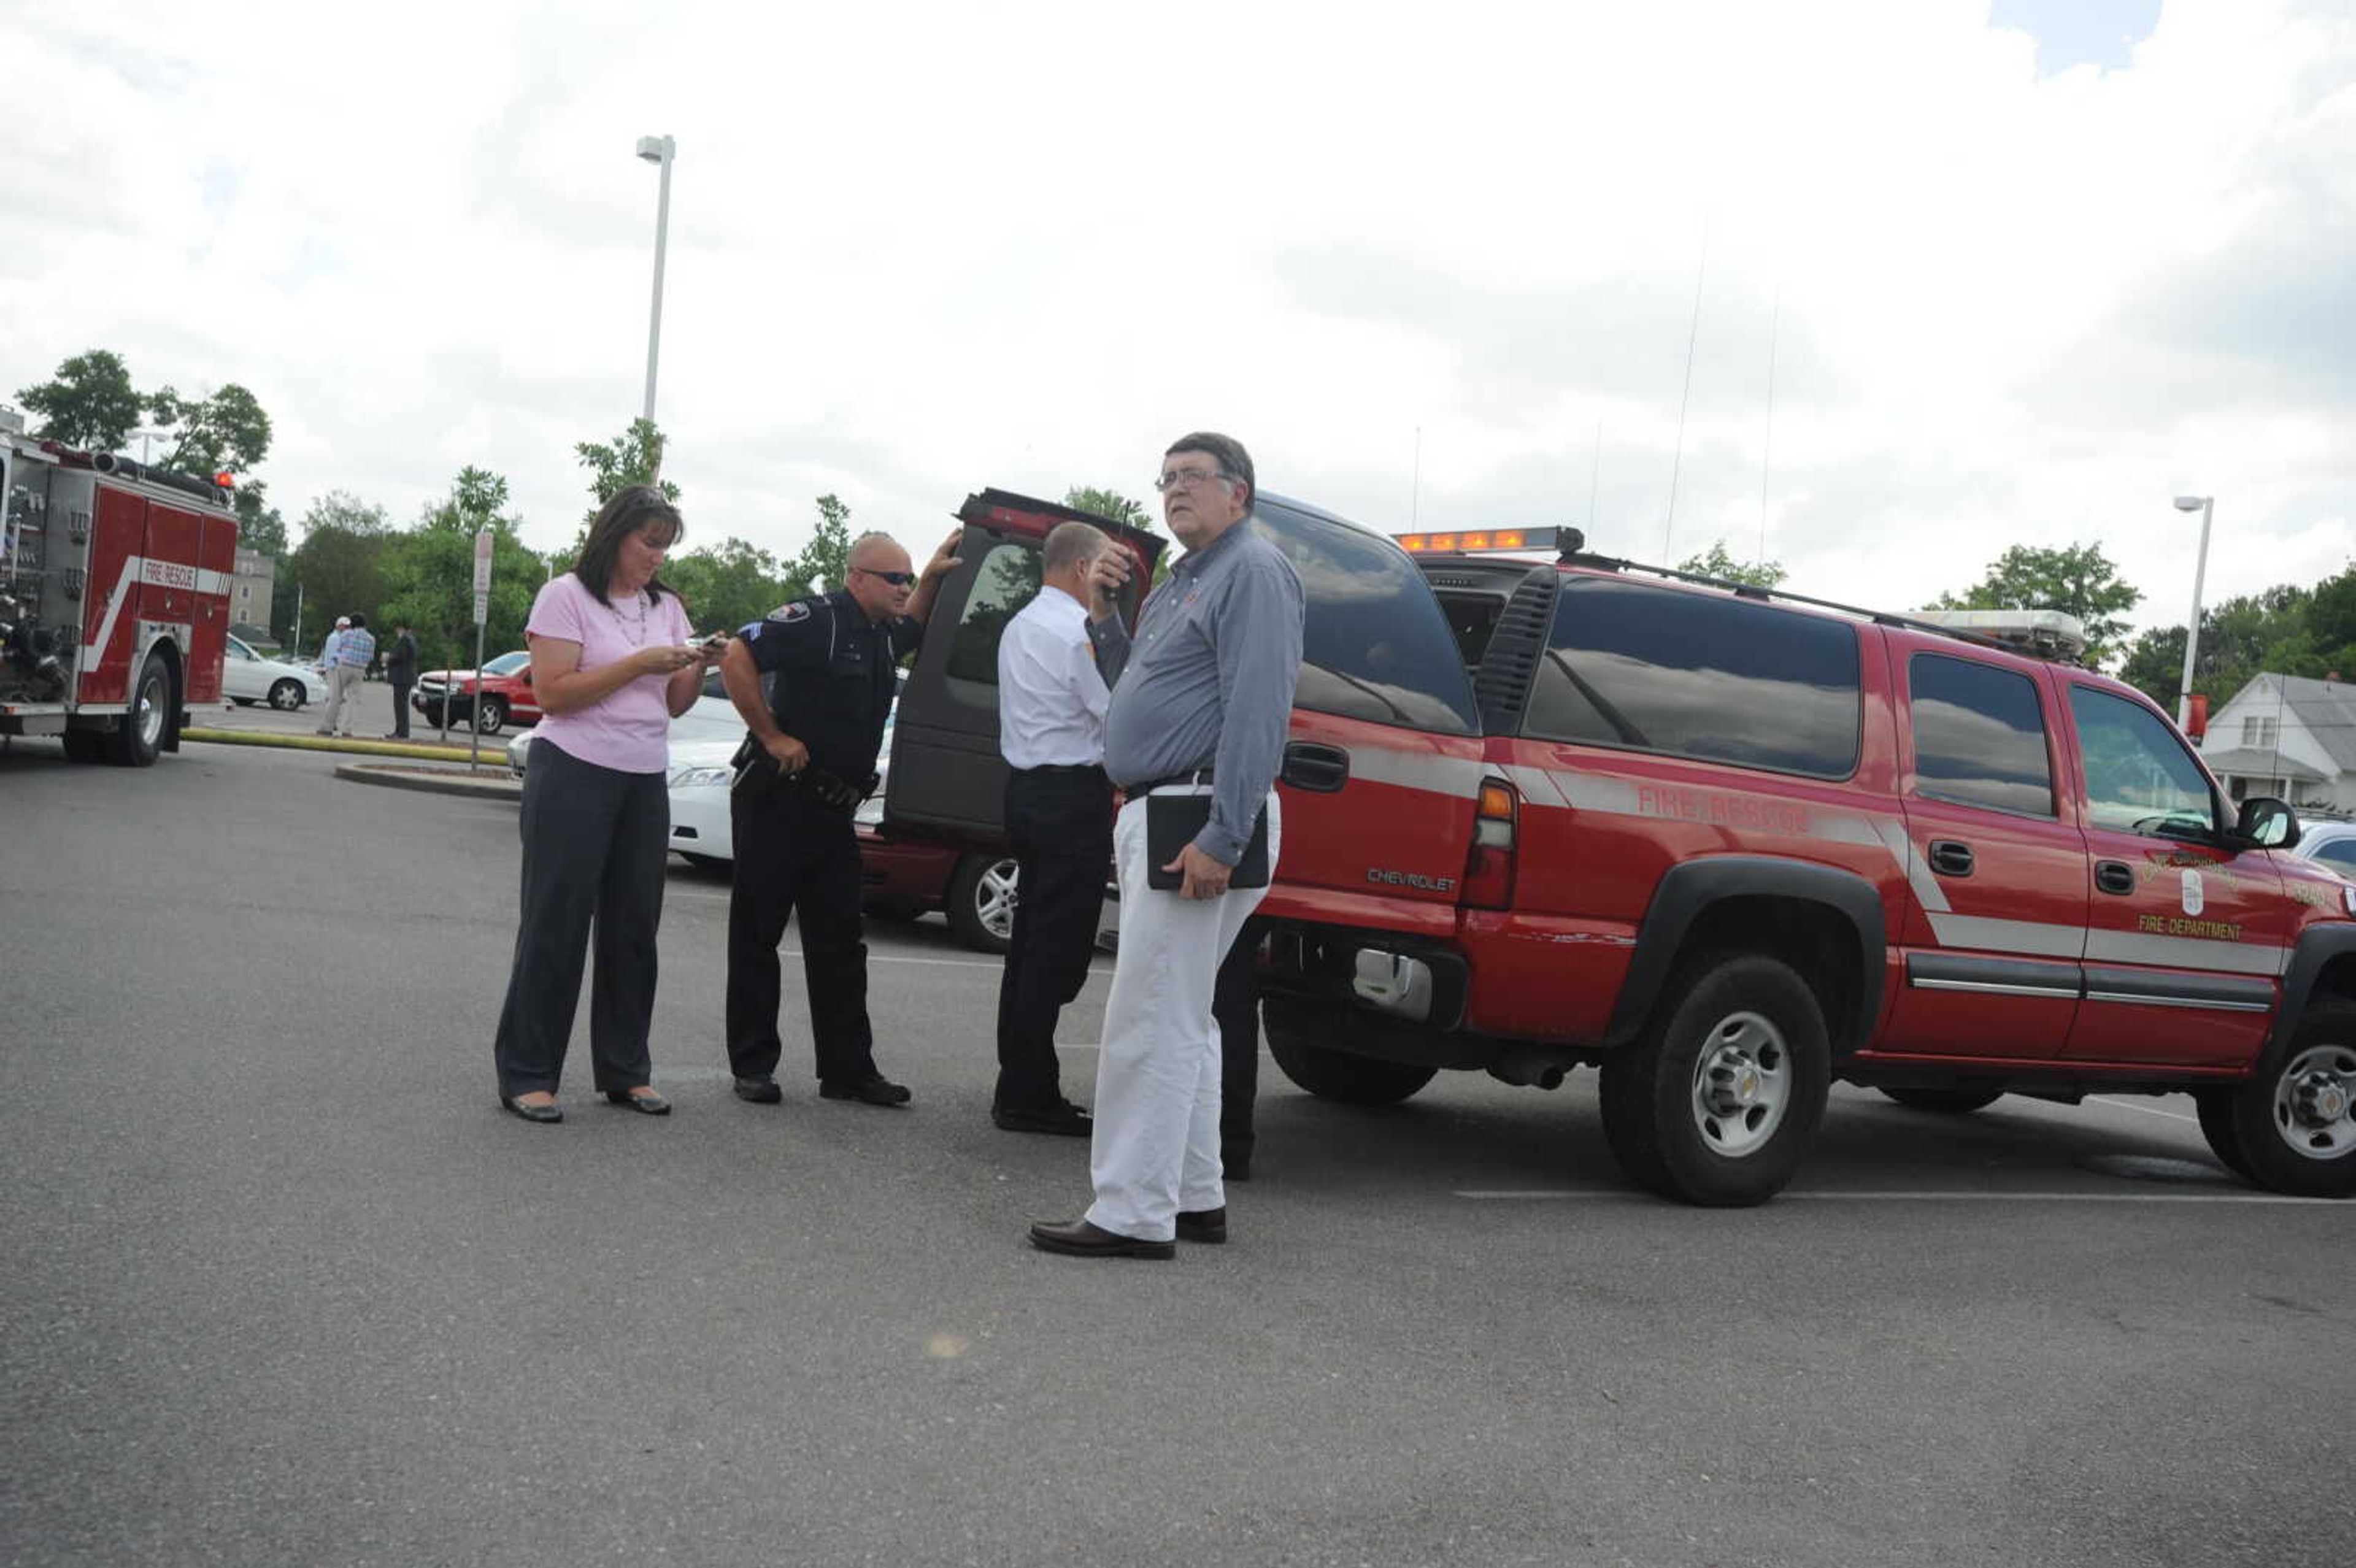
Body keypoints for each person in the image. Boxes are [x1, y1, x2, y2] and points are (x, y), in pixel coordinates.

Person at [1030, 432, 1303, 1259]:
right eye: (1167, 480)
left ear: (1239, 495)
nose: (1176, 491)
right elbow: (1134, 687)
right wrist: (1105, 613)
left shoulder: (1253, 572)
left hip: (1198, 810)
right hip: (1172, 806)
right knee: (1184, 1015)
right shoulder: (1184, 580)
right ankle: (1192, 1196)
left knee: (1150, 1015)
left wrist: (1225, 833)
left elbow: (1260, 708)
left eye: (1195, 478)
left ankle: (1131, 1212)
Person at [490, 486, 722, 1124]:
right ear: (614, 535)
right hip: (573, 772)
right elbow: (556, 695)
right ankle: (529, 1073)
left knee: (632, 929)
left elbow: (672, 703)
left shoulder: (667, 605)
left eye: (666, 546)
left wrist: (698, 663)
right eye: (649, 543)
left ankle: (625, 1070)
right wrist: (640, 662)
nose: (658, 557)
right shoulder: (565, 596)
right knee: (555, 923)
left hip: (644, 777)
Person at [721, 528, 961, 1109]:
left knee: (840, 945)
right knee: (759, 934)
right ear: (857, 578)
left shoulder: (879, 634)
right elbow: (736, 654)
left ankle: (848, 1071)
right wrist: (771, 735)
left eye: (907, 579)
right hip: (780, 801)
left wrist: (930, 578)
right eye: (894, 579)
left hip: (832, 813)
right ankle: (754, 1066)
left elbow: (916, 625)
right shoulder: (816, 620)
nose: (903, 589)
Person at [990, 520, 1115, 1137]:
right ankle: (1028, 1093)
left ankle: (1018, 1080)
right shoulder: (1075, 632)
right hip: (1070, 796)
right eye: (1105, 571)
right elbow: (1114, 714)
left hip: (1028, 792)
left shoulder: (1019, 625)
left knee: (1030, 945)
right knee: (1055, 952)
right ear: (1081, 570)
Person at [318, 613, 375, 737]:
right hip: (360, 669)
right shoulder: (371, 639)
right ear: (364, 625)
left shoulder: (346, 634)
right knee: (353, 701)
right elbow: (371, 657)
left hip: (344, 666)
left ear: (352, 625)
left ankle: (327, 727)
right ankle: (347, 730)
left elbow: (339, 650)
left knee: (336, 697)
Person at [383, 620, 419, 739]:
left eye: (397, 629)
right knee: (401, 706)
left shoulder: (405, 639)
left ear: (401, 628)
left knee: (400, 707)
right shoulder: (411, 639)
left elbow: (401, 657)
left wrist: (388, 658)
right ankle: (400, 731)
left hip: (402, 677)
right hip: (405, 678)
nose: (396, 632)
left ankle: (402, 732)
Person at [313, 617, 348, 734]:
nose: (347, 628)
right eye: (345, 626)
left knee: (336, 697)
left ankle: (332, 722)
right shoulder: (335, 638)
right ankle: (330, 723)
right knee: (335, 697)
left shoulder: (337, 637)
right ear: (339, 626)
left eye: (348, 626)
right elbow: (335, 656)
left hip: (334, 669)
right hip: (334, 670)